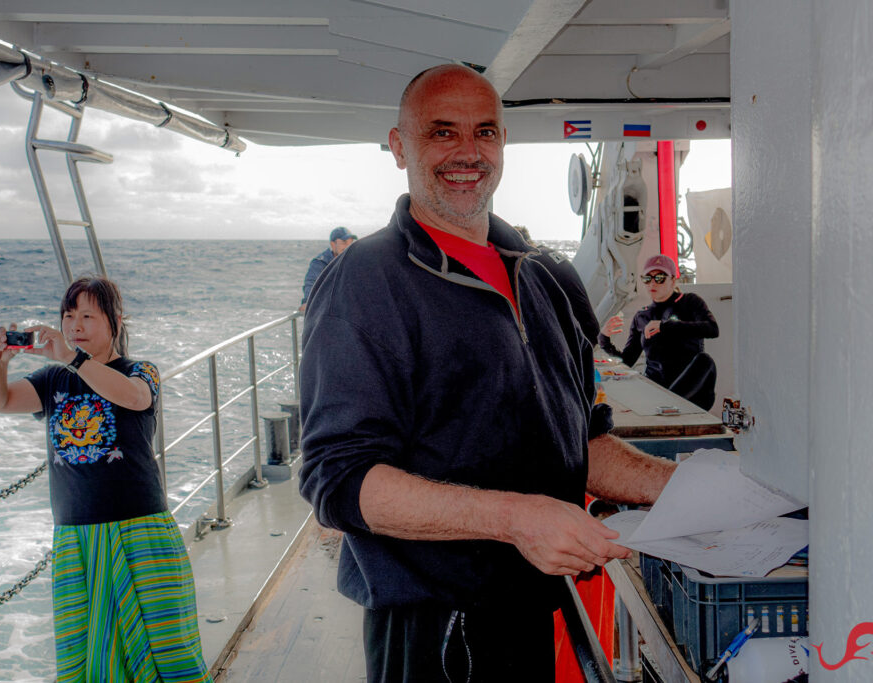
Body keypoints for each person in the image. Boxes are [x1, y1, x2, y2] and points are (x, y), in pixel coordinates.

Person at [298, 64, 677, 682]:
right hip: (435, 631)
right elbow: (338, 480)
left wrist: (688, 487)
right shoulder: (365, 282)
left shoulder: (547, 277)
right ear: (399, 147)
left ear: (503, 142)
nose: (467, 153)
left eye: (485, 132)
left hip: (535, 610)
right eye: (442, 132)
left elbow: (582, 442)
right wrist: (516, 519)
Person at [0, 276, 211, 683]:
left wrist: (74, 359)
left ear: (115, 323)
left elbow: (135, 397)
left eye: (88, 317)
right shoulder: (52, 380)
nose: (76, 326)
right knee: (90, 660)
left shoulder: (140, 371)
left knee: (168, 651)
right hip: (76, 539)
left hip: (140, 530)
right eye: (69, 317)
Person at [598, 253, 719, 410]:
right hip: (656, 388)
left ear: (673, 280)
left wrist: (665, 326)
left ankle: (668, 402)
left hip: (690, 390)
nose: (652, 283)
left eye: (659, 278)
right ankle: (664, 402)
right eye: (647, 278)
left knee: (705, 361)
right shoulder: (642, 316)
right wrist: (604, 339)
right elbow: (627, 361)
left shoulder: (690, 302)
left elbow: (712, 329)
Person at [298, 226, 357, 311]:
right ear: (333, 244)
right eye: (344, 242)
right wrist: (308, 301)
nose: (348, 246)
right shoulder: (320, 262)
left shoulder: (354, 260)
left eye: (350, 243)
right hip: (327, 309)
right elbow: (311, 283)